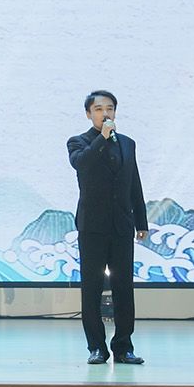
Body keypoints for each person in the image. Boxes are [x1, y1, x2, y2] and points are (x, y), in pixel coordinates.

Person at [67, 90, 148, 366]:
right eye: (99, 109)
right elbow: (82, 165)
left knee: (123, 287)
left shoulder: (127, 143)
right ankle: (97, 347)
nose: (105, 113)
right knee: (91, 288)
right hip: (92, 226)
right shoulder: (78, 142)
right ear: (89, 114)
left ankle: (123, 347)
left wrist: (141, 221)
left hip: (122, 225)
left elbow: (134, 183)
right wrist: (102, 138)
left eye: (110, 108)